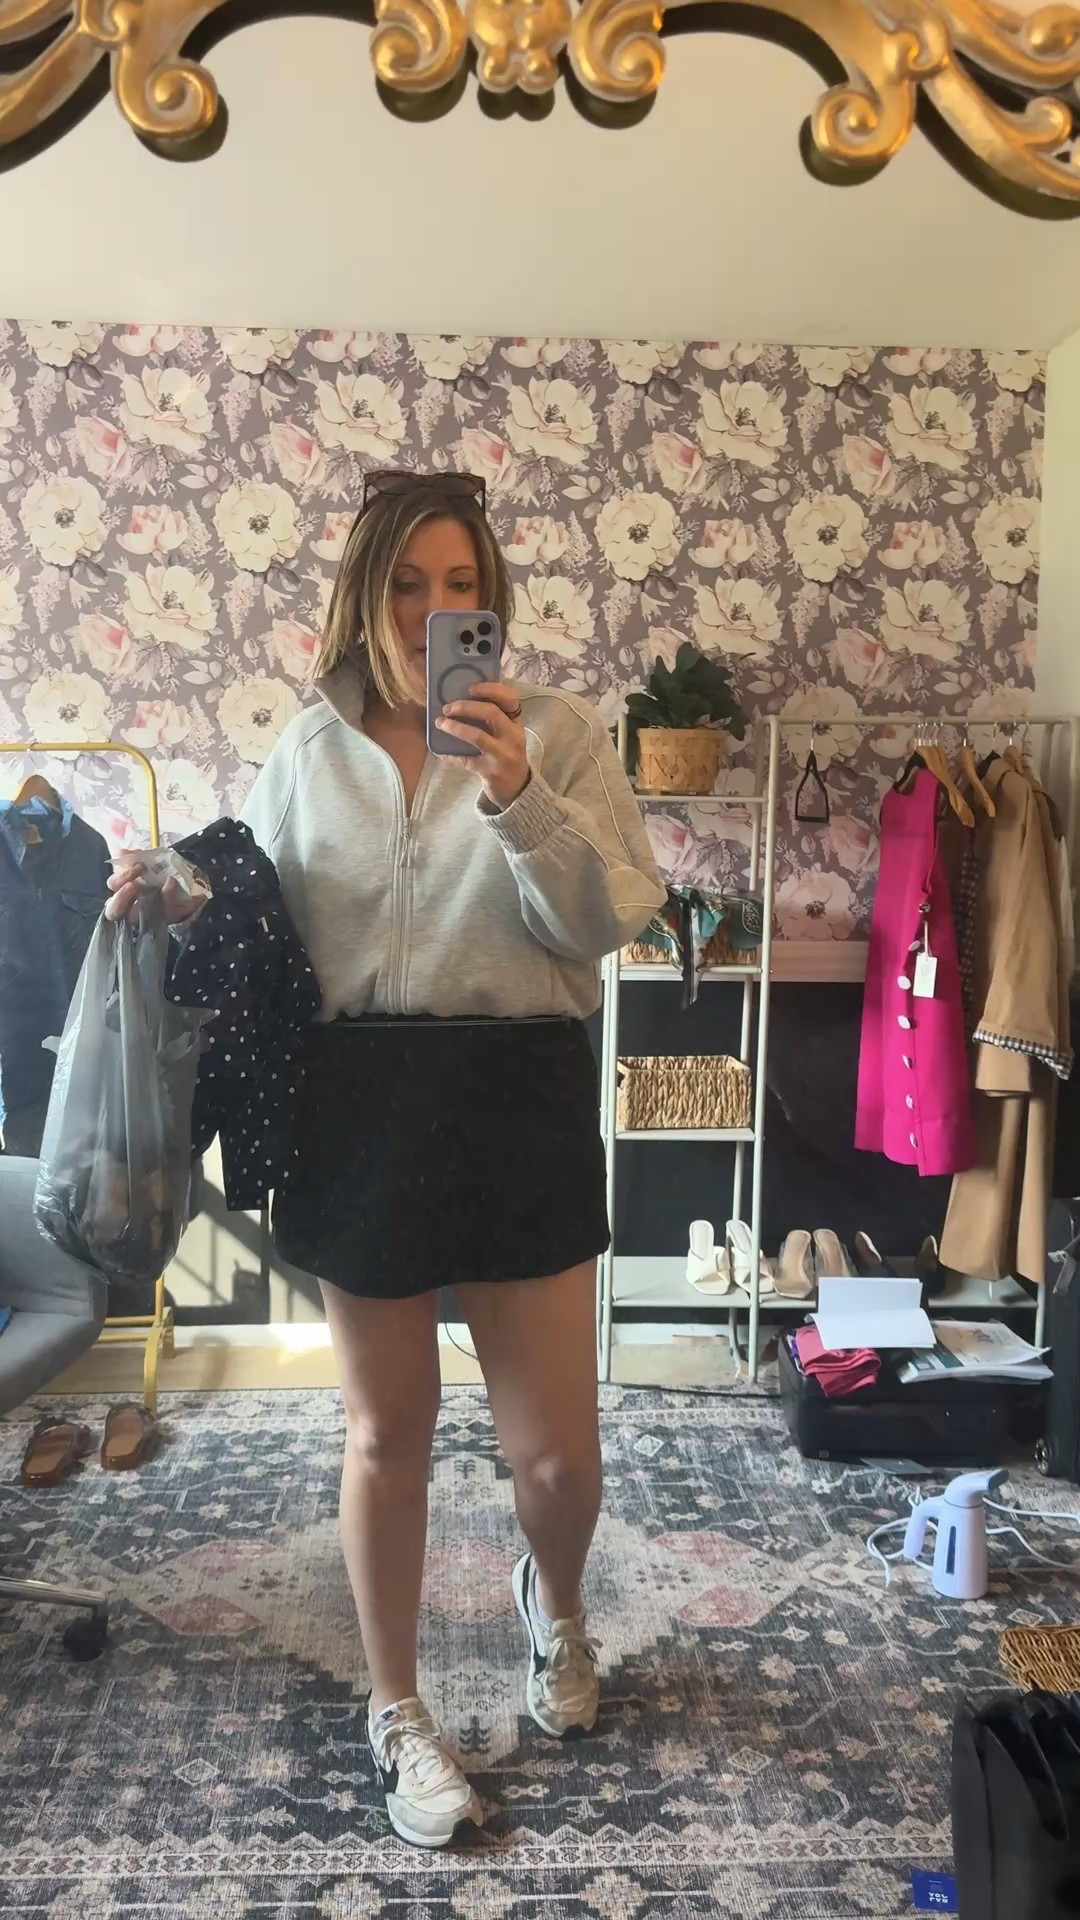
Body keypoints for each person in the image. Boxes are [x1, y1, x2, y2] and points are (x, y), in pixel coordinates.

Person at [109, 468, 665, 1850]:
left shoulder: (556, 734)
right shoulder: (310, 750)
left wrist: (516, 792)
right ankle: (397, 1705)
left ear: (492, 599)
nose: (432, 611)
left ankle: (558, 1605)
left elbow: (610, 915)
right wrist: (173, 892)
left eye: (460, 584)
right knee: (385, 1435)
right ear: (365, 596)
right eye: (408, 584)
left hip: (519, 1093)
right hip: (357, 1106)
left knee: (556, 1458)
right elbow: (260, 908)